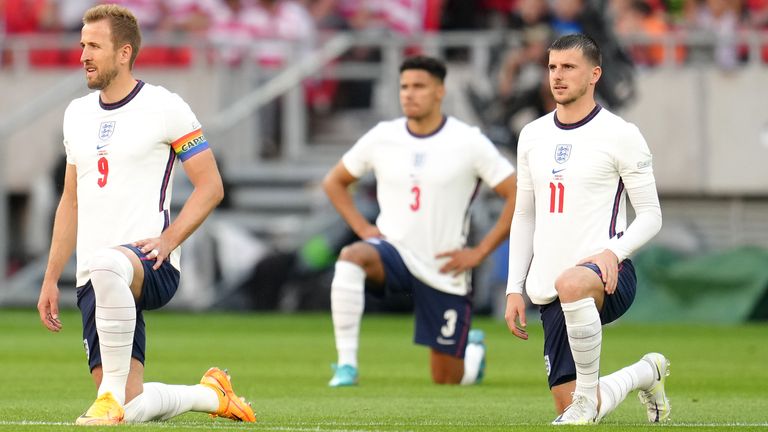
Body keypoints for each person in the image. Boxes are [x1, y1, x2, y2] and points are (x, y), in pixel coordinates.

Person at [35, 4, 255, 425]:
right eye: (82, 45)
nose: (83, 55)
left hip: (150, 262)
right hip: (96, 280)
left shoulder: (165, 106)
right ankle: (211, 395)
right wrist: (50, 277)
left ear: (124, 53)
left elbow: (211, 187)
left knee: (108, 262)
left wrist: (169, 241)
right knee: (127, 405)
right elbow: (71, 201)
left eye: (94, 46)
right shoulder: (76, 114)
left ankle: (108, 399)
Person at [503, 33, 668, 425]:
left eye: (569, 67)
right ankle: (648, 372)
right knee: (573, 407)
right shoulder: (532, 135)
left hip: (608, 275)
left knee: (574, 284)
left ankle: (583, 402)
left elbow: (651, 214)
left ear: (594, 74)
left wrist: (614, 252)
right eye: (552, 67)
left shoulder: (621, 134)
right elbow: (525, 215)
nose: (557, 76)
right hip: (550, 288)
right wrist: (514, 288)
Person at [322, 55, 518, 387]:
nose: (409, 94)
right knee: (351, 257)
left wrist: (479, 252)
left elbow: (518, 193)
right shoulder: (383, 136)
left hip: (444, 267)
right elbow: (334, 181)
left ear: (440, 91)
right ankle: (346, 366)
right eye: (404, 87)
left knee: (446, 381)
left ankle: (471, 355)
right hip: (393, 253)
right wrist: (363, 229)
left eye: (419, 86)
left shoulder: (468, 140)